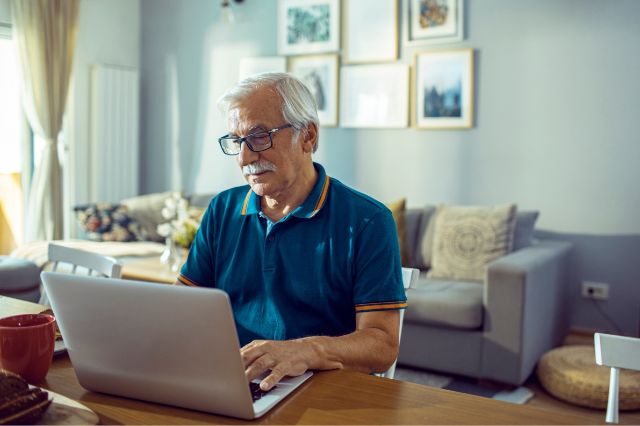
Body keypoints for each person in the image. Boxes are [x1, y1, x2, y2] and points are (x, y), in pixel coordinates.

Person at [176, 72, 406, 391]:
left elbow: (381, 346)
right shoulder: (222, 209)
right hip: (233, 382)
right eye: (236, 141)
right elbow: (183, 307)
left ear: (308, 136)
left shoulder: (369, 220)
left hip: (322, 392)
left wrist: (307, 350)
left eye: (259, 137)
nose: (244, 158)